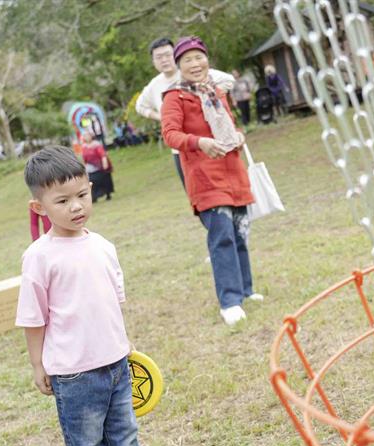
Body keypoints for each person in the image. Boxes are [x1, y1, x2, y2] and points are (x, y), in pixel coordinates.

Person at [15, 146, 175, 446]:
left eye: (82, 195)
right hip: (73, 373)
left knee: (124, 434)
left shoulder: (104, 246)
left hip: (116, 363)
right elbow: (34, 318)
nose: (76, 207)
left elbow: (112, 303)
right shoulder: (39, 257)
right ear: (40, 208)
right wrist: (38, 364)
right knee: (88, 445)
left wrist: (126, 345)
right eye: (63, 201)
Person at [161, 36, 264, 326]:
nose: (195, 64)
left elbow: (229, 124)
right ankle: (230, 301)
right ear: (179, 65)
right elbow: (170, 134)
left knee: (240, 232)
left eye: (199, 57)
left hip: (233, 169)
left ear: (207, 59)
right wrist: (200, 142)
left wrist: (239, 136)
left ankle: (246, 290)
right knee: (222, 237)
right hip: (205, 175)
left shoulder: (216, 91)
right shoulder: (174, 96)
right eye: (188, 60)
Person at [136, 37, 235, 190]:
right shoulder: (154, 85)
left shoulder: (193, 72)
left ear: (175, 55)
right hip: (180, 149)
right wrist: (161, 117)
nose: (164, 60)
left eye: (168, 55)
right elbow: (140, 106)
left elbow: (229, 80)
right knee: (196, 193)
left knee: (223, 189)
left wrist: (208, 97)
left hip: (211, 143)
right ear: (153, 61)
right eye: (159, 57)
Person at [81, 131, 115, 202]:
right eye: (85, 136)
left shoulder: (96, 144)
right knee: (92, 182)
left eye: (87, 135)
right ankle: (94, 197)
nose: (86, 137)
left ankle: (107, 194)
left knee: (104, 180)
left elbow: (103, 155)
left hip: (99, 166)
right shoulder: (84, 146)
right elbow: (84, 158)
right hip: (90, 167)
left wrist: (104, 163)